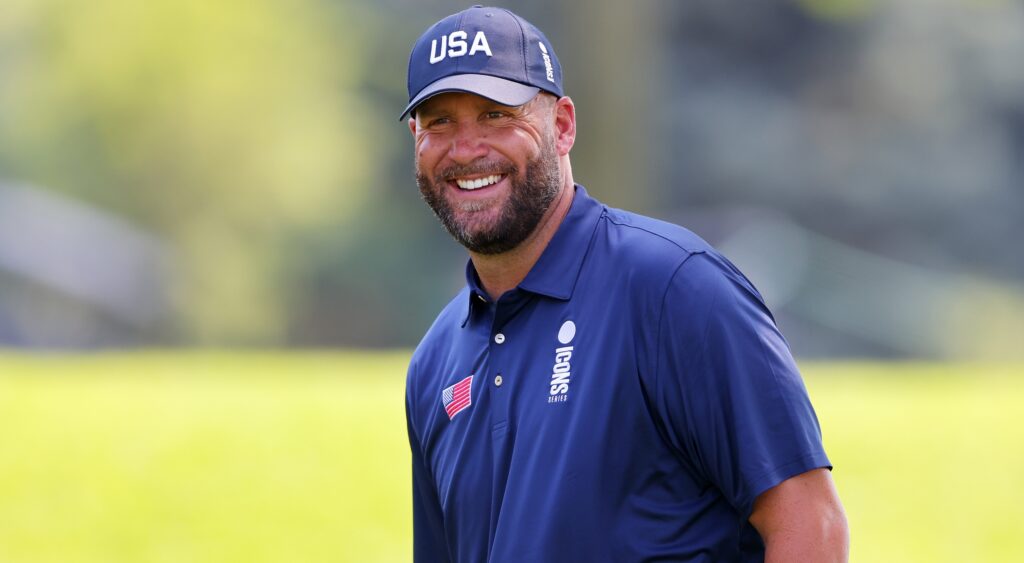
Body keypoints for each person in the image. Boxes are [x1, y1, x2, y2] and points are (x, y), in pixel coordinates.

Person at [401, 6, 849, 562]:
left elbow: (810, 524)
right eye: (439, 121)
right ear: (417, 139)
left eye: (496, 114)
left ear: (562, 125)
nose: (466, 149)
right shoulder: (434, 363)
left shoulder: (674, 289)